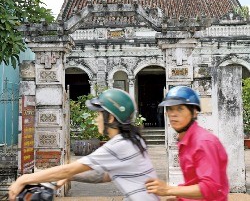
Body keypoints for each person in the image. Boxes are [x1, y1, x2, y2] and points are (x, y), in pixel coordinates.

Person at [9, 88, 160, 201]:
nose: (96, 119)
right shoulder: (134, 140)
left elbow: (68, 169)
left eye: (99, 114)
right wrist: (71, 177)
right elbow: (106, 175)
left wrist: (24, 179)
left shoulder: (119, 145)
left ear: (111, 118)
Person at [145, 85, 229, 201]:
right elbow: (194, 181)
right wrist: (179, 196)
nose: (173, 114)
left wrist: (168, 190)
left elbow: (210, 187)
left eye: (180, 109)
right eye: (170, 109)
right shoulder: (185, 140)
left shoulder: (203, 142)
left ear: (194, 113)